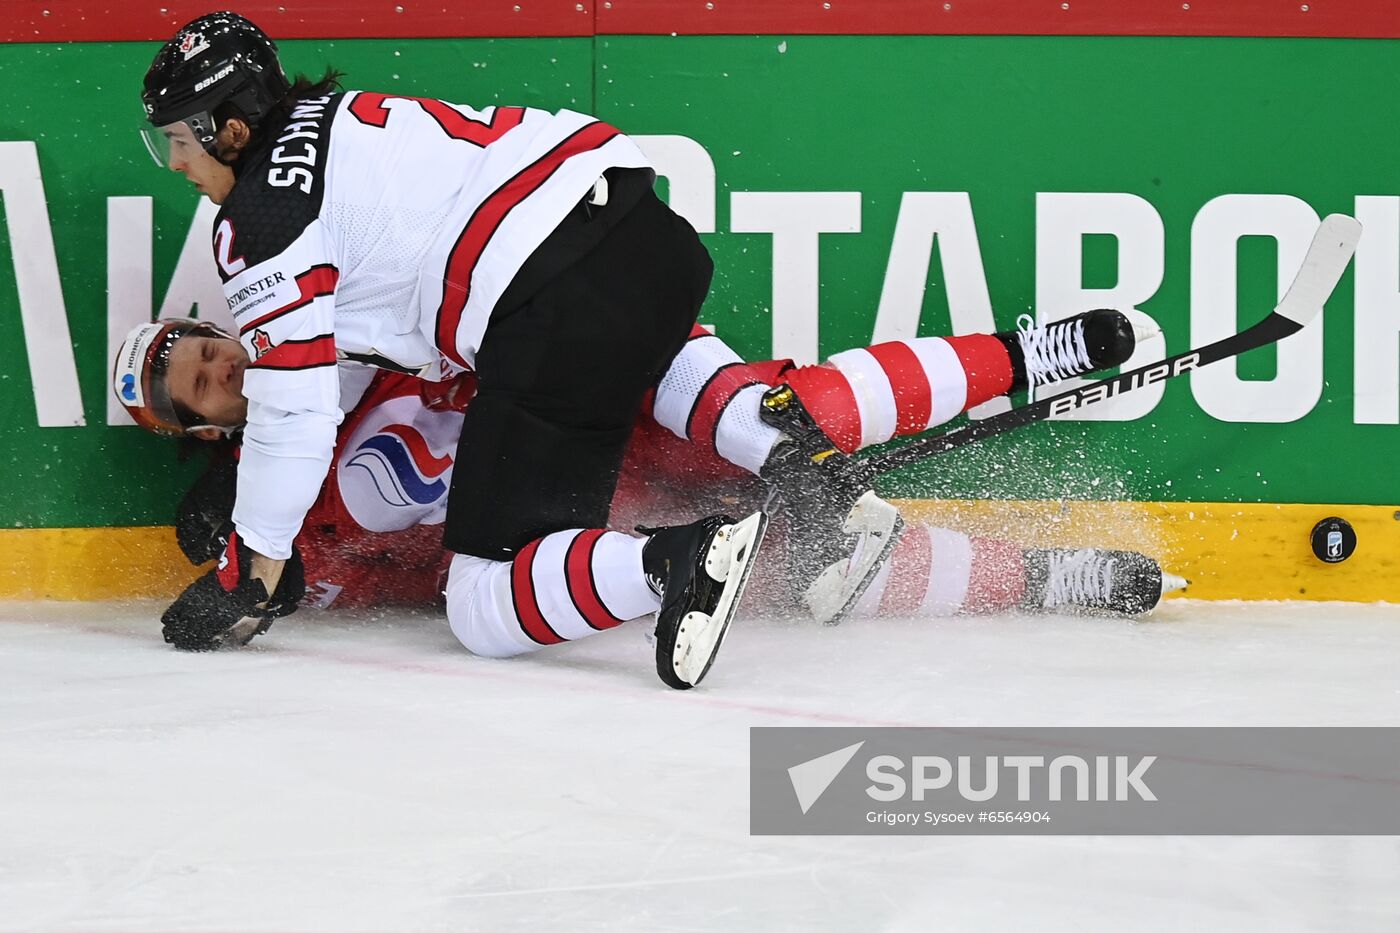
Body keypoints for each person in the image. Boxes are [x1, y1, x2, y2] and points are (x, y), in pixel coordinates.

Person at [120, 12, 1143, 687]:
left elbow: (297, 410)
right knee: (762, 424)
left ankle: (675, 564)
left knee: (485, 606)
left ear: (231, 129)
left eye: (179, 141)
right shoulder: (340, 125)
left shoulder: (262, 229)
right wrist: (273, 555)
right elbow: (323, 415)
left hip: (552, 339)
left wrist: (247, 574)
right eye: (189, 394)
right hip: (632, 235)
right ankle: (1033, 544)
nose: (177, 164)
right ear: (197, 432)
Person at [120, 315, 1177, 666]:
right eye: (192, 389)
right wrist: (253, 581)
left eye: (204, 351)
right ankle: (1049, 575)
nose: (215, 372)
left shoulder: (351, 324)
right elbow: (326, 579)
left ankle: (1027, 351)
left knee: (785, 417)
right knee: (809, 573)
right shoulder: (288, 512)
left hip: (628, 408)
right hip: (589, 511)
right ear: (203, 432)